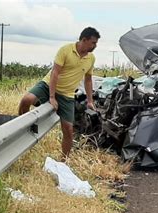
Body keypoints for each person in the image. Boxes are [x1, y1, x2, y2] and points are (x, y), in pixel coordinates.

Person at [18, 27, 100, 160]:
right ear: (84, 40)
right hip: (47, 85)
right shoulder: (66, 50)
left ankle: (64, 161)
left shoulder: (91, 58)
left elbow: (88, 79)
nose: (95, 46)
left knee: (68, 130)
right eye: (93, 43)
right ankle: (23, 128)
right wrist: (51, 96)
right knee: (26, 100)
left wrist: (90, 101)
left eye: (96, 43)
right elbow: (55, 72)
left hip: (67, 95)